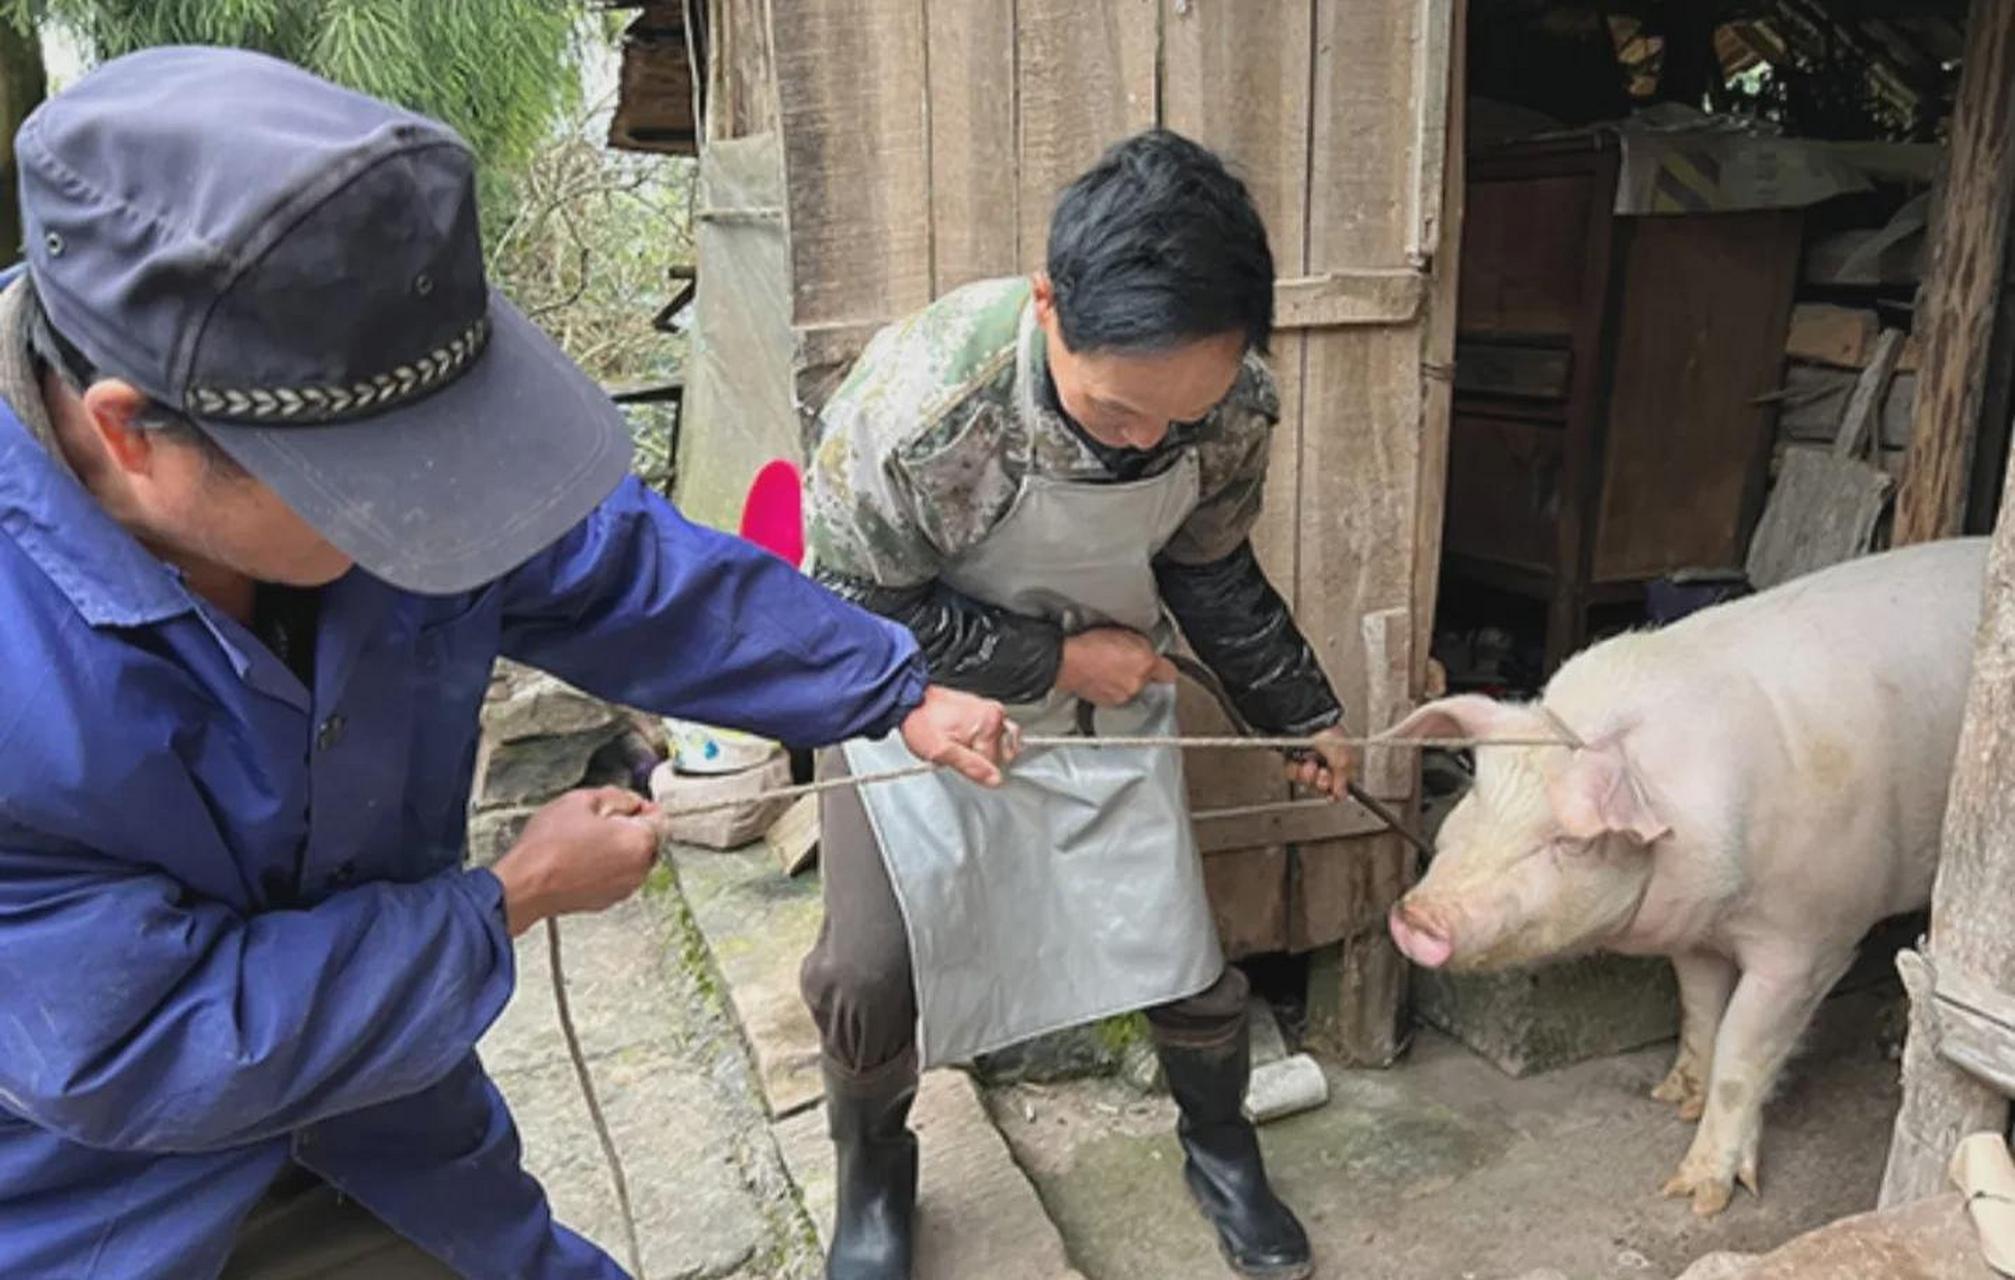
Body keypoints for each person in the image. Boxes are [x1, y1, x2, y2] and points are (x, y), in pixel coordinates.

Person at [0, 46, 1013, 1280]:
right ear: (128, 432)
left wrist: (886, 686)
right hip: (106, 1204)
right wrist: (509, 897)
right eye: (380, 494)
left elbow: (614, 566)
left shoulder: (341, 440)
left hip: (396, 1127)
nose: (438, 517)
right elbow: (143, 1038)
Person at [801, 128, 1354, 1280]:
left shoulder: (1230, 404)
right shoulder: (922, 407)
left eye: (1177, 417)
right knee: (865, 970)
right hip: (914, 698)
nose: (1150, 439)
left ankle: (1218, 1147)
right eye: (1117, 415)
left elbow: (1206, 565)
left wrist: (1296, 711)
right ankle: (871, 1180)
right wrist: (1055, 662)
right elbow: (848, 605)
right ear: (1049, 304)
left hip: (1105, 696)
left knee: (1178, 950)